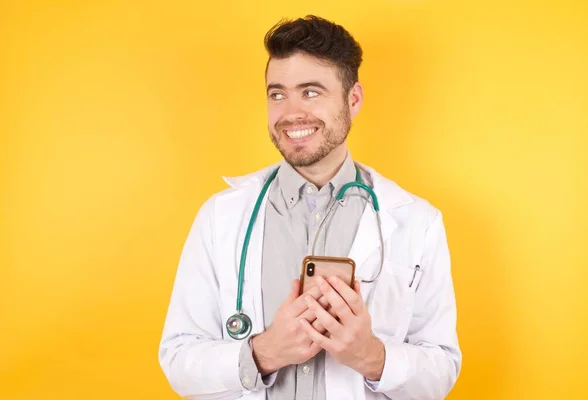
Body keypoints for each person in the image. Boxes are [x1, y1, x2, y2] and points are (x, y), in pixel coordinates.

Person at [158, 15, 461, 400]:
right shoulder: (222, 216)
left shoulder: (417, 222)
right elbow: (178, 360)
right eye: (277, 94)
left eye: (311, 92)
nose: (290, 113)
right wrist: (263, 353)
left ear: (353, 100)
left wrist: (370, 356)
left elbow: (442, 371)